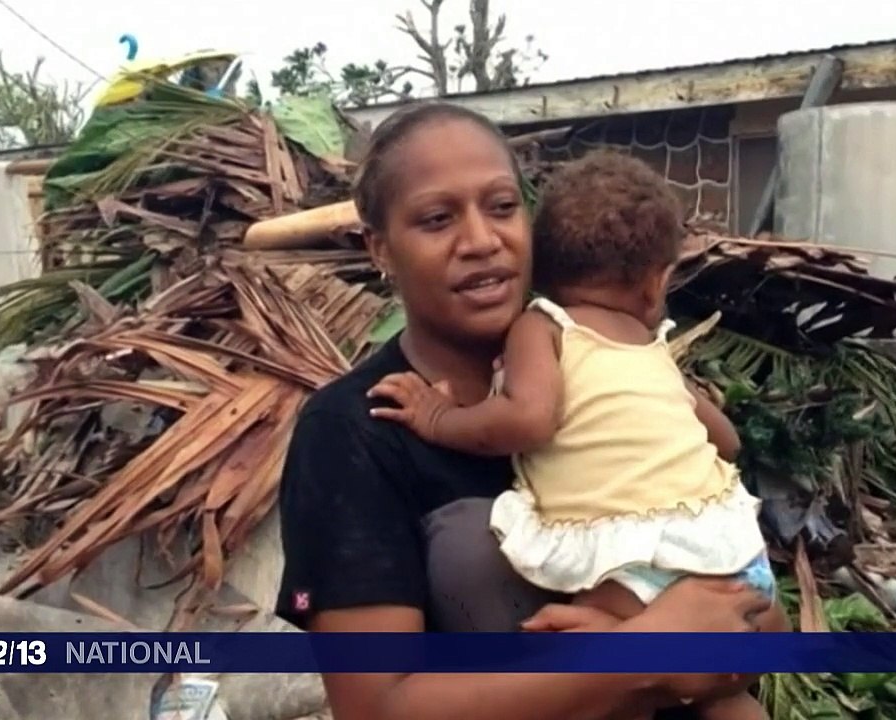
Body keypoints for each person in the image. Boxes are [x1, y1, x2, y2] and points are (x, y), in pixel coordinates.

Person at [276, 101, 776, 720]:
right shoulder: (356, 433)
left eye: (503, 207)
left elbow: (757, 619)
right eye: (437, 219)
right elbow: (377, 706)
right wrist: (638, 655)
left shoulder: (613, 373)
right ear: (380, 249)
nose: (482, 241)